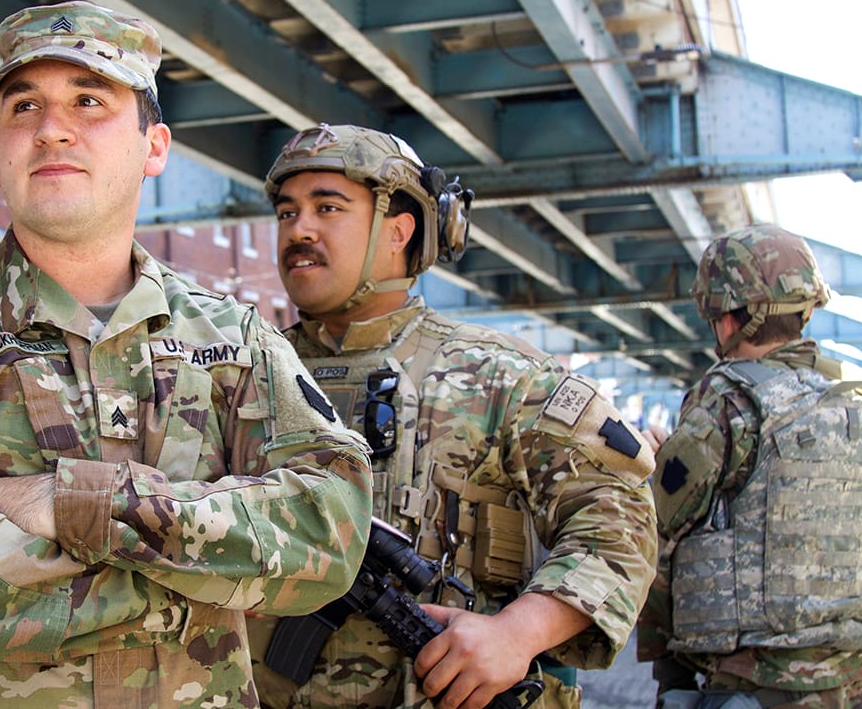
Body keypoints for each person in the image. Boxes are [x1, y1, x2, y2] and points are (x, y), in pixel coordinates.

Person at [0, 1, 374, 709]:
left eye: (89, 100)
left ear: (155, 146)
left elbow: (331, 529)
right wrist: (207, 591)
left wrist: (75, 503)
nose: (52, 128)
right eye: (24, 106)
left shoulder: (232, 337)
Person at [246, 123, 658, 709]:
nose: (299, 230)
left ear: (399, 229)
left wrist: (519, 633)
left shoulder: (500, 375)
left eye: (327, 207)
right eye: (287, 213)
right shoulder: (242, 373)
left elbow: (620, 521)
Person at [638, 224, 862, 709]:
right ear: (808, 311)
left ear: (725, 321)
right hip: (851, 686)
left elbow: (657, 524)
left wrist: (652, 469)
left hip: (753, 689)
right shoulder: (861, 410)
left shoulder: (728, 404)